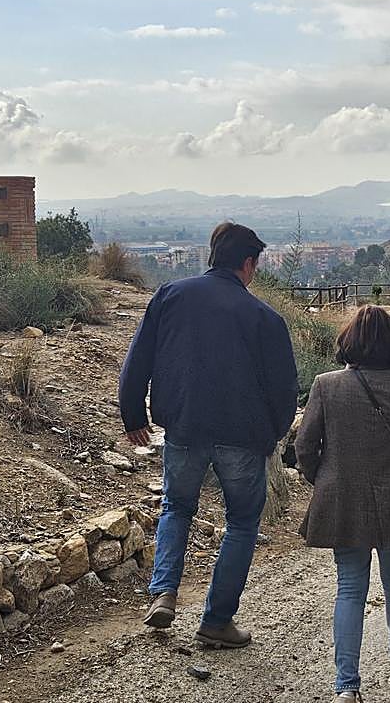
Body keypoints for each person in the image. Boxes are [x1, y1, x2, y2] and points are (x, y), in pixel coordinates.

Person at [118, 222, 298, 647]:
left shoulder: (170, 296)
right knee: (240, 522)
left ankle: (164, 593)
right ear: (248, 263)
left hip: (183, 426)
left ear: (212, 254)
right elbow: (284, 386)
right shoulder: (264, 318)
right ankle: (216, 621)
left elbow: (138, 355)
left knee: (176, 507)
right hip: (242, 437)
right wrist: (272, 433)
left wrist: (133, 414)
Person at [294, 305, 390, 703]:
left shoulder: (325, 385)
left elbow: (304, 446)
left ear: (349, 341)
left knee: (349, 588)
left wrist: (324, 481)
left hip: (343, 499)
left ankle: (347, 687)